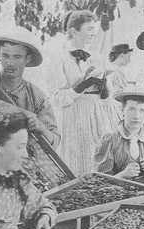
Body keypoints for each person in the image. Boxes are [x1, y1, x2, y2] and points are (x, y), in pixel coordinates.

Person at [47, 10, 115, 176]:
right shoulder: (58, 57)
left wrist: (103, 85)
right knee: (77, 163)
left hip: (97, 114)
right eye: (89, 29)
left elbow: (106, 98)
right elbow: (57, 98)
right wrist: (83, 85)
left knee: (101, 160)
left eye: (94, 29)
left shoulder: (96, 57)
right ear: (73, 31)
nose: (93, 33)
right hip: (74, 117)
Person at [0, 26, 60, 148]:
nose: (10, 63)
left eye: (17, 57)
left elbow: (54, 141)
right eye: (5, 56)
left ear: (27, 59)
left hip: (22, 161)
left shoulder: (37, 97)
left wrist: (41, 127)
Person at [93, 85, 144, 185]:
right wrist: (122, 175)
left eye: (142, 110)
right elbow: (99, 182)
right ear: (122, 110)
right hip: (119, 195)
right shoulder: (110, 139)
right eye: (131, 109)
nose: (137, 116)